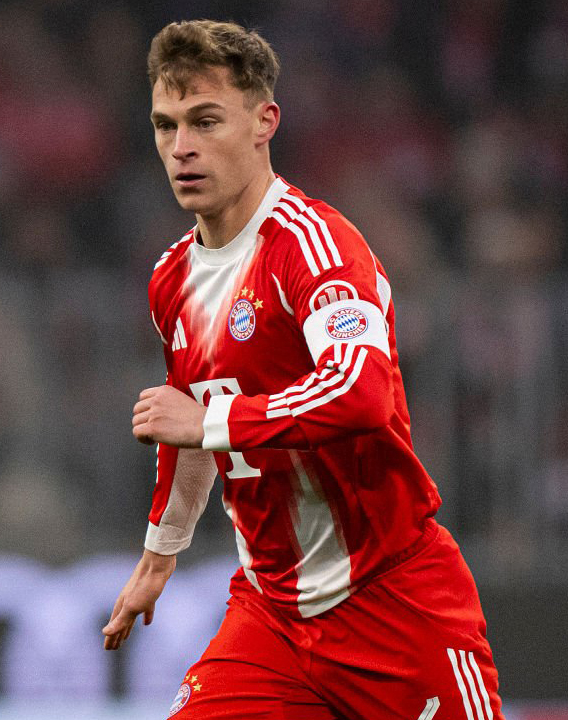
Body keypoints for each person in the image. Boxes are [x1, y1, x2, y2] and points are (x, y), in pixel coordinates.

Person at [101, 20, 503, 720]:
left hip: (393, 601)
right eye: (166, 126)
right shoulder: (170, 279)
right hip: (272, 617)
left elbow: (362, 393)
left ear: (265, 122)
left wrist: (211, 421)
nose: (181, 147)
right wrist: (159, 556)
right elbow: (192, 427)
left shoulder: (315, 247)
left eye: (205, 121)